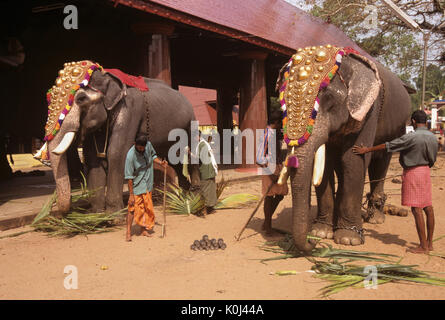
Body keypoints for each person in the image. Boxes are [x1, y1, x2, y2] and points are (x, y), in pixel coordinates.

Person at [352, 110, 438, 254]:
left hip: (413, 173)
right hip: (425, 172)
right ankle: (429, 243)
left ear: (414, 122)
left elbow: (388, 145)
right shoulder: (432, 137)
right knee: (428, 207)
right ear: (425, 121)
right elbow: (432, 159)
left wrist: (367, 150)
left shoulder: (412, 137)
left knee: (416, 209)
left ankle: (423, 246)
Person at [124, 134, 167, 241]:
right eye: (139, 148)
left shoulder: (148, 145)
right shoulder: (130, 156)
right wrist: (131, 195)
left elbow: (153, 156)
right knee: (132, 207)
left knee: (146, 207)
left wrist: (161, 163)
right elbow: (129, 177)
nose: (141, 150)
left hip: (148, 181)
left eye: (143, 148)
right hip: (137, 184)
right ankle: (128, 232)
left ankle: (143, 230)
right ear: (135, 144)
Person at [256, 110, 288, 235]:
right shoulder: (266, 135)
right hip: (269, 168)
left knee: (280, 194)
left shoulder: (274, 134)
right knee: (269, 196)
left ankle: (267, 221)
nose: (282, 126)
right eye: (281, 123)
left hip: (277, 167)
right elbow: (259, 158)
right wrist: (271, 173)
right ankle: (268, 225)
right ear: (276, 122)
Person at [194, 130, 218, 215]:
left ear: (197, 136)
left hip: (206, 170)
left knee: (206, 189)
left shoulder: (202, 144)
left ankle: (207, 209)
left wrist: (189, 154)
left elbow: (200, 158)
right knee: (210, 188)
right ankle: (211, 208)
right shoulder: (203, 144)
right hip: (209, 170)